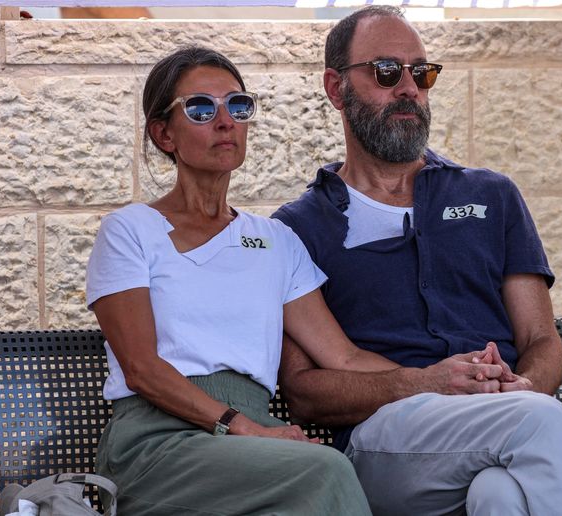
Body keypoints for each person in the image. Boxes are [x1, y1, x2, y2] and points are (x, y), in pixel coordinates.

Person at [272, 6, 562, 516]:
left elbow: (541, 339)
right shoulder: (299, 227)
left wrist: (523, 387)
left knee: (499, 494)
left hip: (500, 422)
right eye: (386, 72)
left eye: (421, 73)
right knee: (540, 420)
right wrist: (426, 383)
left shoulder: (492, 195)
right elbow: (303, 393)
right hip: (382, 445)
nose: (409, 88)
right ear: (337, 89)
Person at [86, 46, 398, 516]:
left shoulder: (276, 241)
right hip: (157, 444)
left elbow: (343, 357)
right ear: (163, 134)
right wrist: (241, 426)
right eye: (200, 108)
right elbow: (142, 369)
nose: (225, 122)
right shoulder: (129, 230)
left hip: (251, 440)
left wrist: (438, 381)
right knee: (326, 471)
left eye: (238, 106)